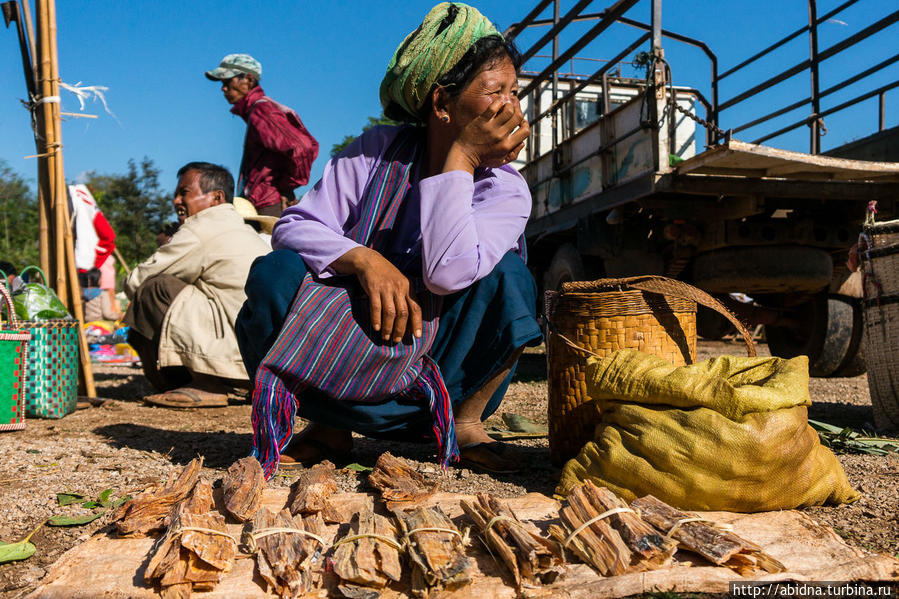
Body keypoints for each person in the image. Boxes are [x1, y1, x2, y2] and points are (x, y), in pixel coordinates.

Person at [237, 2, 541, 478]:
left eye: (515, 92)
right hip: (346, 342)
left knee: (510, 277)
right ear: (441, 104)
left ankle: (464, 422)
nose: (511, 107)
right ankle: (328, 427)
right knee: (274, 273)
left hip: (441, 365)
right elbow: (294, 226)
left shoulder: (505, 187)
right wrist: (362, 260)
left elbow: (447, 275)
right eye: (495, 91)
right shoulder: (377, 151)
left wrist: (459, 159)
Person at [124, 162, 270, 407]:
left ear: (216, 197)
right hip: (260, 352)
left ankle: (207, 383)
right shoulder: (241, 229)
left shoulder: (202, 226)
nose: (176, 201)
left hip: (235, 350)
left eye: (184, 192)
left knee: (155, 289)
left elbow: (138, 280)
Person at [205, 53, 319, 217]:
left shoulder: (262, 110)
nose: (223, 88)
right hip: (263, 201)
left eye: (227, 81)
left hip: (267, 203)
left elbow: (302, 147)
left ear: (249, 80)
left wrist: (287, 187)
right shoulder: (257, 111)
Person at [70, 184, 122, 320]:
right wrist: (119, 316)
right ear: (99, 280)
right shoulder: (101, 293)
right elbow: (107, 313)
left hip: (83, 325)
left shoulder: (78, 293)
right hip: (98, 328)